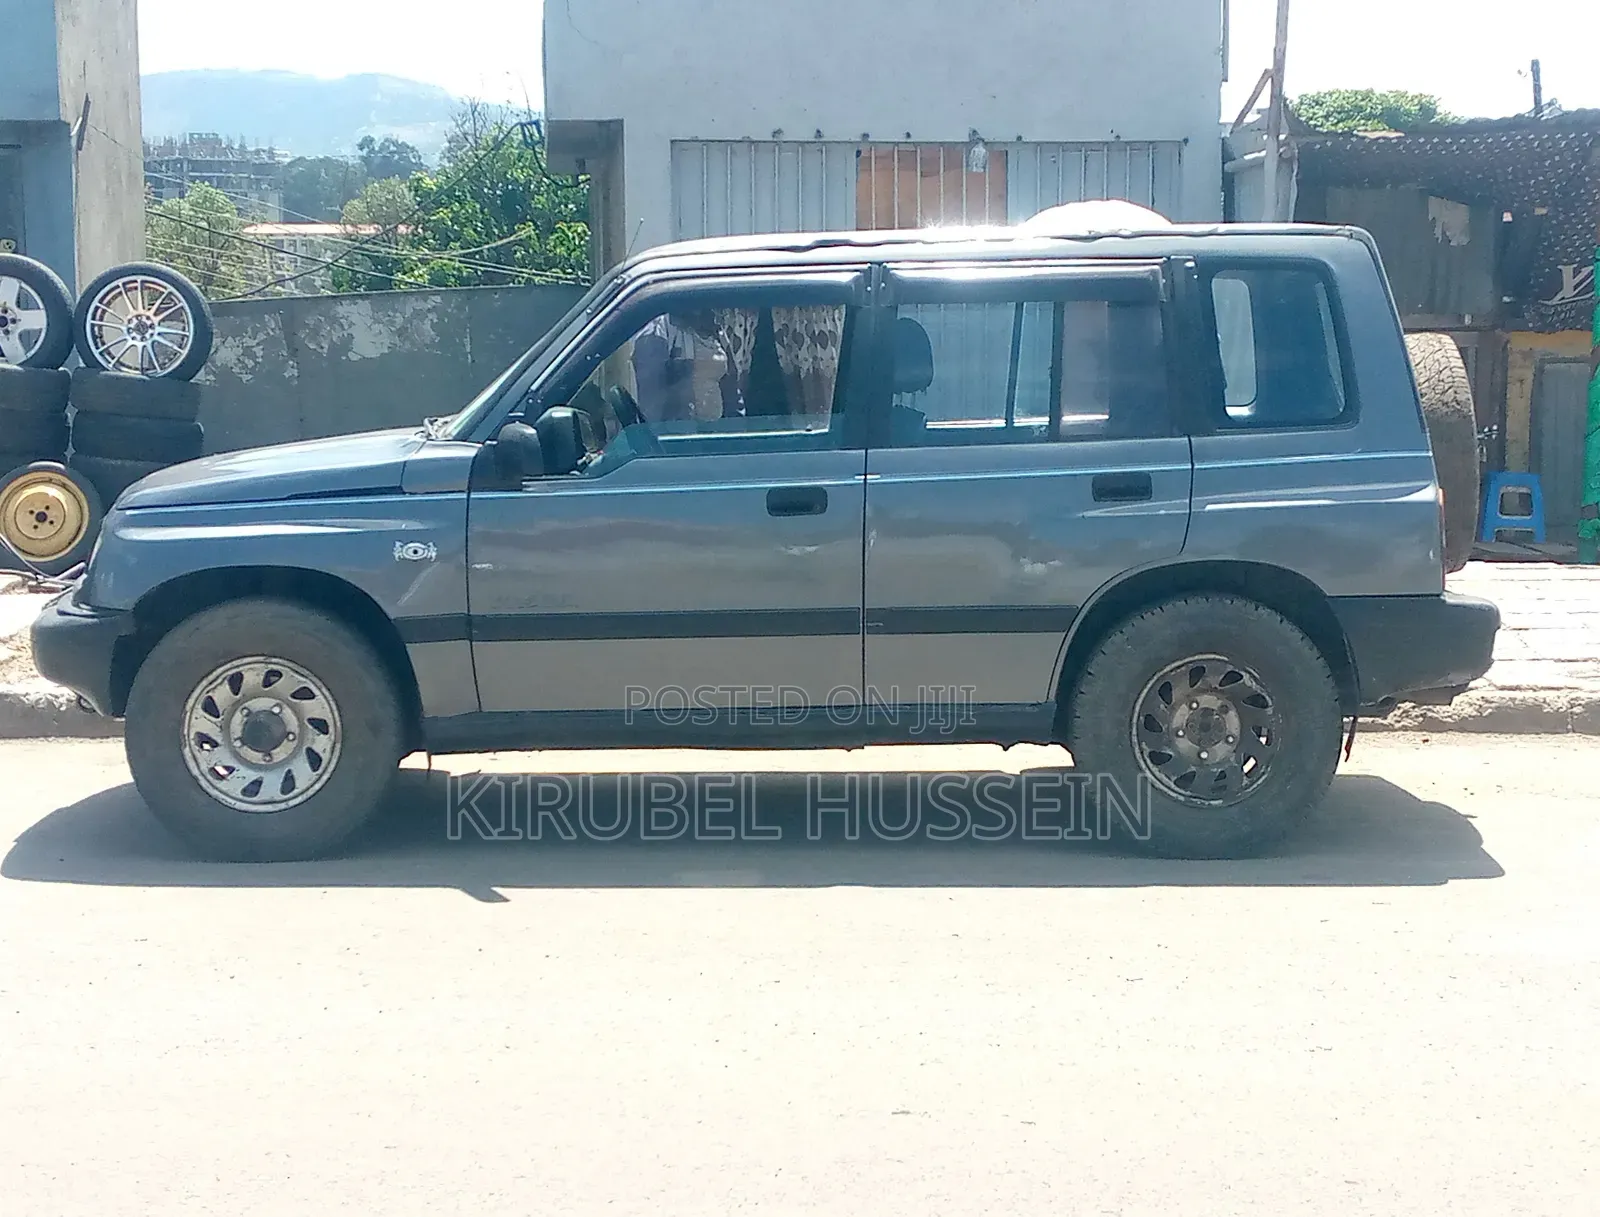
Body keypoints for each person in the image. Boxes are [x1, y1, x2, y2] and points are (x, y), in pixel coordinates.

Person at [630, 310, 739, 424]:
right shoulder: (658, 330)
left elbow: (732, 390)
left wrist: (739, 433)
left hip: (718, 433)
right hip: (680, 434)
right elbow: (652, 406)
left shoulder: (716, 328)